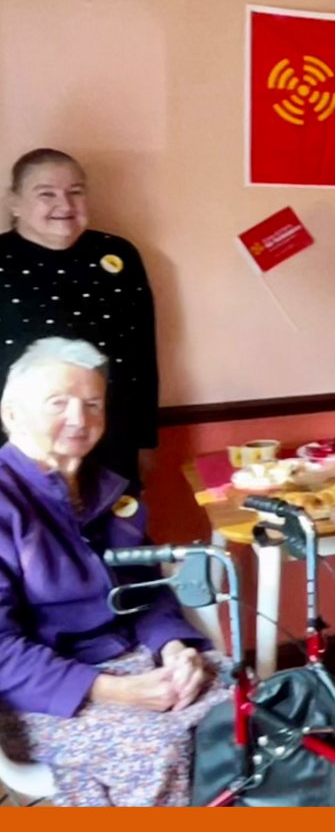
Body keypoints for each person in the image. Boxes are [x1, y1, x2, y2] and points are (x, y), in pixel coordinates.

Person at [0, 338, 225, 807]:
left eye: (92, 403)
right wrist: (113, 691)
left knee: (252, 707)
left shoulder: (105, 488)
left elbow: (150, 591)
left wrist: (175, 648)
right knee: (155, 751)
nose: (79, 418)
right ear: (12, 413)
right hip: (37, 695)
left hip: (133, 660)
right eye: (57, 403)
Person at [0, 149, 158, 486]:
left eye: (76, 191)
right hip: (19, 444)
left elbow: (140, 353)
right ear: (14, 203)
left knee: (116, 532)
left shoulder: (118, 255)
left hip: (108, 434)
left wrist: (144, 439)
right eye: (46, 194)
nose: (65, 204)